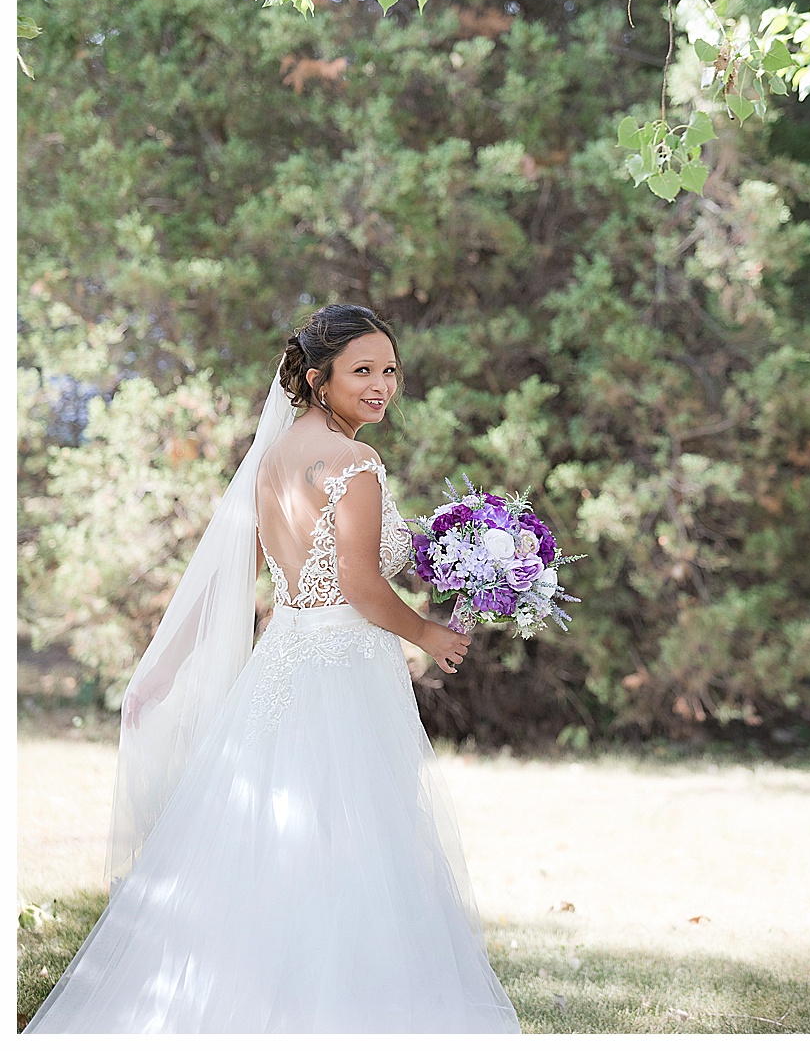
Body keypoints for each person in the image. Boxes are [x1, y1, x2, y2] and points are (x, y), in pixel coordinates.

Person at [26, 305, 521, 1033]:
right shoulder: (355, 463)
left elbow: (238, 569)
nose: (382, 385)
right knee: (356, 832)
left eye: (390, 370)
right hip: (344, 672)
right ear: (317, 379)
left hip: (284, 660)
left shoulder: (276, 456)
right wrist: (428, 635)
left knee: (264, 829)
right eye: (363, 371)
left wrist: (163, 668)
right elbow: (356, 583)